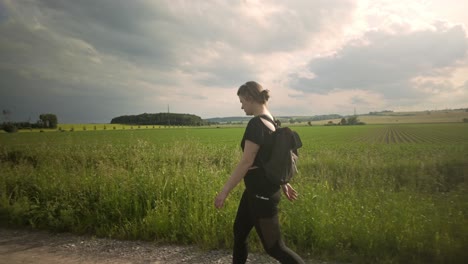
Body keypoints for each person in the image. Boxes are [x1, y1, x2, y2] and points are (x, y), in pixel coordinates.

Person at [214, 81, 305, 264]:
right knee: (240, 232)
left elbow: (247, 161)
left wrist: (224, 191)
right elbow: (271, 158)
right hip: (255, 190)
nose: (241, 106)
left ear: (249, 97)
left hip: (262, 193)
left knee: (275, 248)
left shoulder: (256, 123)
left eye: (242, 101)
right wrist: (284, 183)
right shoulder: (272, 121)